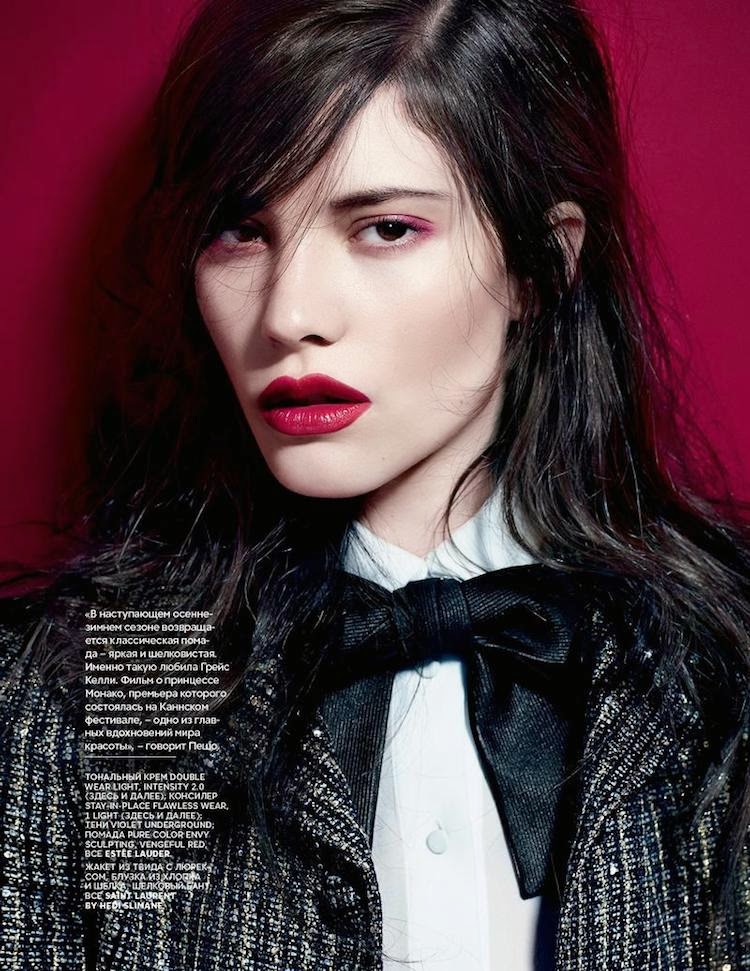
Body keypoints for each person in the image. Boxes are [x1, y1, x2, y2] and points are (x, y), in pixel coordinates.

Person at [1, 0, 748, 968]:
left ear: (542, 264)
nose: (288, 314)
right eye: (241, 231)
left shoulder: (720, 668)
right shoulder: (124, 681)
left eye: (386, 227)